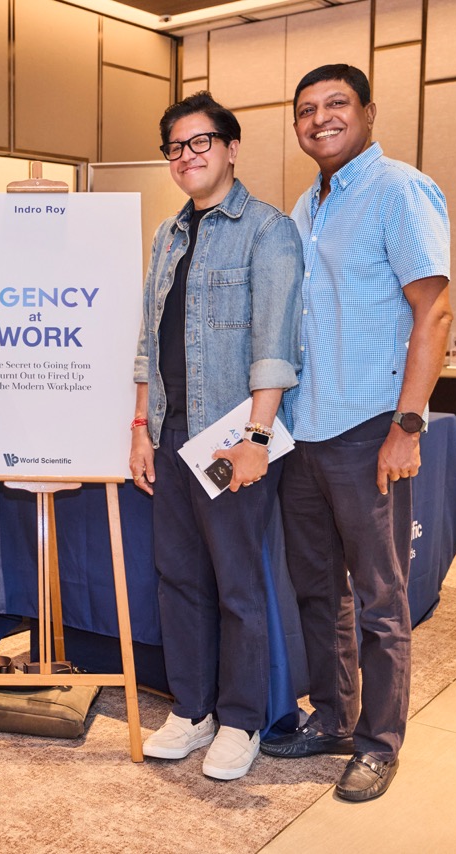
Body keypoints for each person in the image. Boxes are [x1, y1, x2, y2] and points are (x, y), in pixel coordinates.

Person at [261, 64, 452, 802]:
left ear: (369, 112)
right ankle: (335, 717)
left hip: (368, 426)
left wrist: (407, 424)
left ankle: (379, 743)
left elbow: (434, 311)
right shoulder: (307, 205)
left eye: (336, 104)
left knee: (379, 597)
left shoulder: (400, 190)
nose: (321, 119)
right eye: (306, 109)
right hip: (306, 429)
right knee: (317, 590)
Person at [129, 93, 303, 780]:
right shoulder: (168, 235)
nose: (186, 156)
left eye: (200, 142)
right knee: (178, 579)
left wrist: (257, 436)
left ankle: (241, 719)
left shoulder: (268, 230)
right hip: (171, 435)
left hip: (232, 440)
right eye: (175, 147)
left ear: (231, 148)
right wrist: (140, 429)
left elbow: (275, 346)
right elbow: (148, 344)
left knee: (238, 584)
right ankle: (192, 709)